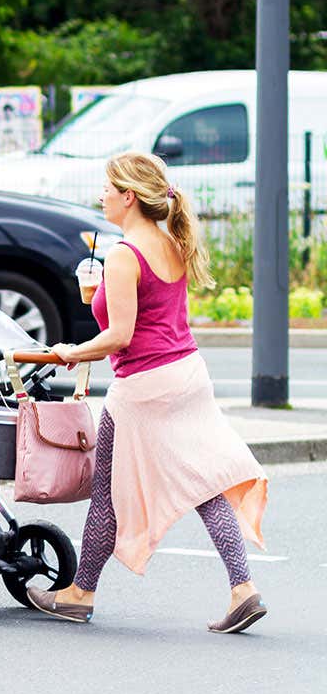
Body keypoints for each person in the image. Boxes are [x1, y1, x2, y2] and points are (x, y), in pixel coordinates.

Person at [30, 151, 268, 634]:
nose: (101, 196)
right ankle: (243, 588)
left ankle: (80, 593)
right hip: (188, 376)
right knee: (204, 484)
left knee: (106, 495)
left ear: (129, 197)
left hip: (143, 387)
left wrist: (67, 353)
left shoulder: (123, 254)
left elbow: (120, 336)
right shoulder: (171, 243)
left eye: (107, 188)